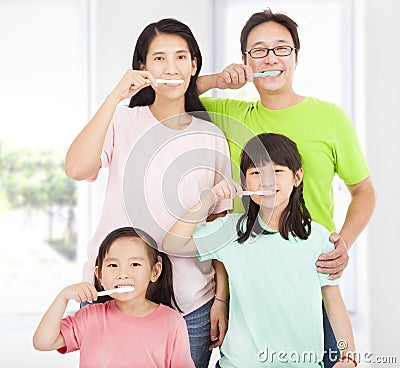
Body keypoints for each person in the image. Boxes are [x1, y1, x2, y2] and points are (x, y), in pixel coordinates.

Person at [196, 8, 375, 366]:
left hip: (314, 285)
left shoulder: (331, 118)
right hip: (250, 294)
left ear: (296, 56)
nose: (271, 58)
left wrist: (343, 243)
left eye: (282, 48)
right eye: (258, 50)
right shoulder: (231, 115)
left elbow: (364, 191)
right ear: (246, 59)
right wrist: (218, 78)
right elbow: (168, 98)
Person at [64, 18, 232, 367]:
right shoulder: (123, 121)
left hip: (191, 302)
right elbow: (77, 168)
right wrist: (114, 98)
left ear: (194, 65)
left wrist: (221, 298)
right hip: (114, 295)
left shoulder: (211, 137)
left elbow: (218, 226)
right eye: (159, 58)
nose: (171, 68)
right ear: (141, 67)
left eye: (181, 57)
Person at [163, 133, 358, 368]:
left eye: (277, 171)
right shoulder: (230, 231)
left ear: (297, 177)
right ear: (245, 183)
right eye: (256, 172)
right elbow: (172, 243)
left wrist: (348, 356)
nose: (266, 180)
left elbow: (334, 301)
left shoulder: (317, 237)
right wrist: (210, 199)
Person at [33, 227, 195, 368]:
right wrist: (63, 298)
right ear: (100, 275)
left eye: (135, 264)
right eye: (113, 265)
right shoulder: (90, 317)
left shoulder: (171, 322)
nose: (122, 274)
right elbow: (43, 342)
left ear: (154, 272)